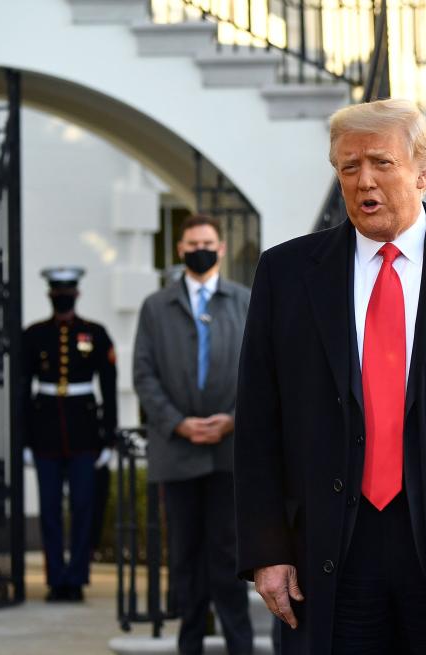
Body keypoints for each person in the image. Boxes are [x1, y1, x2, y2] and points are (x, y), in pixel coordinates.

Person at [234, 98, 426, 654]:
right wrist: (267, 548)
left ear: (422, 172)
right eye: (348, 167)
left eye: (381, 163)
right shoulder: (285, 274)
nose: (363, 181)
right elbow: (259, 420)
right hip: (328, 547)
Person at [133, 214, 254, 655]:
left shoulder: (245, 301)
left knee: (228, 555)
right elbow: (144, 375)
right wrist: (178, 422)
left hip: (228, 451)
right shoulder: (155, 307)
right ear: (180, 250)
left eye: (207, 241)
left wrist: (233, 418)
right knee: (183, 555)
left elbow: (263, 372)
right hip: (178, 453)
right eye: (191, 242)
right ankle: (189, 644)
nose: (199, 248)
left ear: (220, 248)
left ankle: (239, 643)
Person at [22, 266, 117, 602]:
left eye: (67, 290)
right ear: (51, 294)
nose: (62, 295)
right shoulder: (33, 335)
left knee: (82, 506)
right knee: (49, 509)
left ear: (76, 294)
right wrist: (22, 440)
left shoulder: (95, 332)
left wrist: (108, 438)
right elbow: (21, 389)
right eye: (57, 290)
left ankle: (76, 578)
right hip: (44, 432)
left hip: (85, 433)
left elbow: (108, 387)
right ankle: (54, 579)